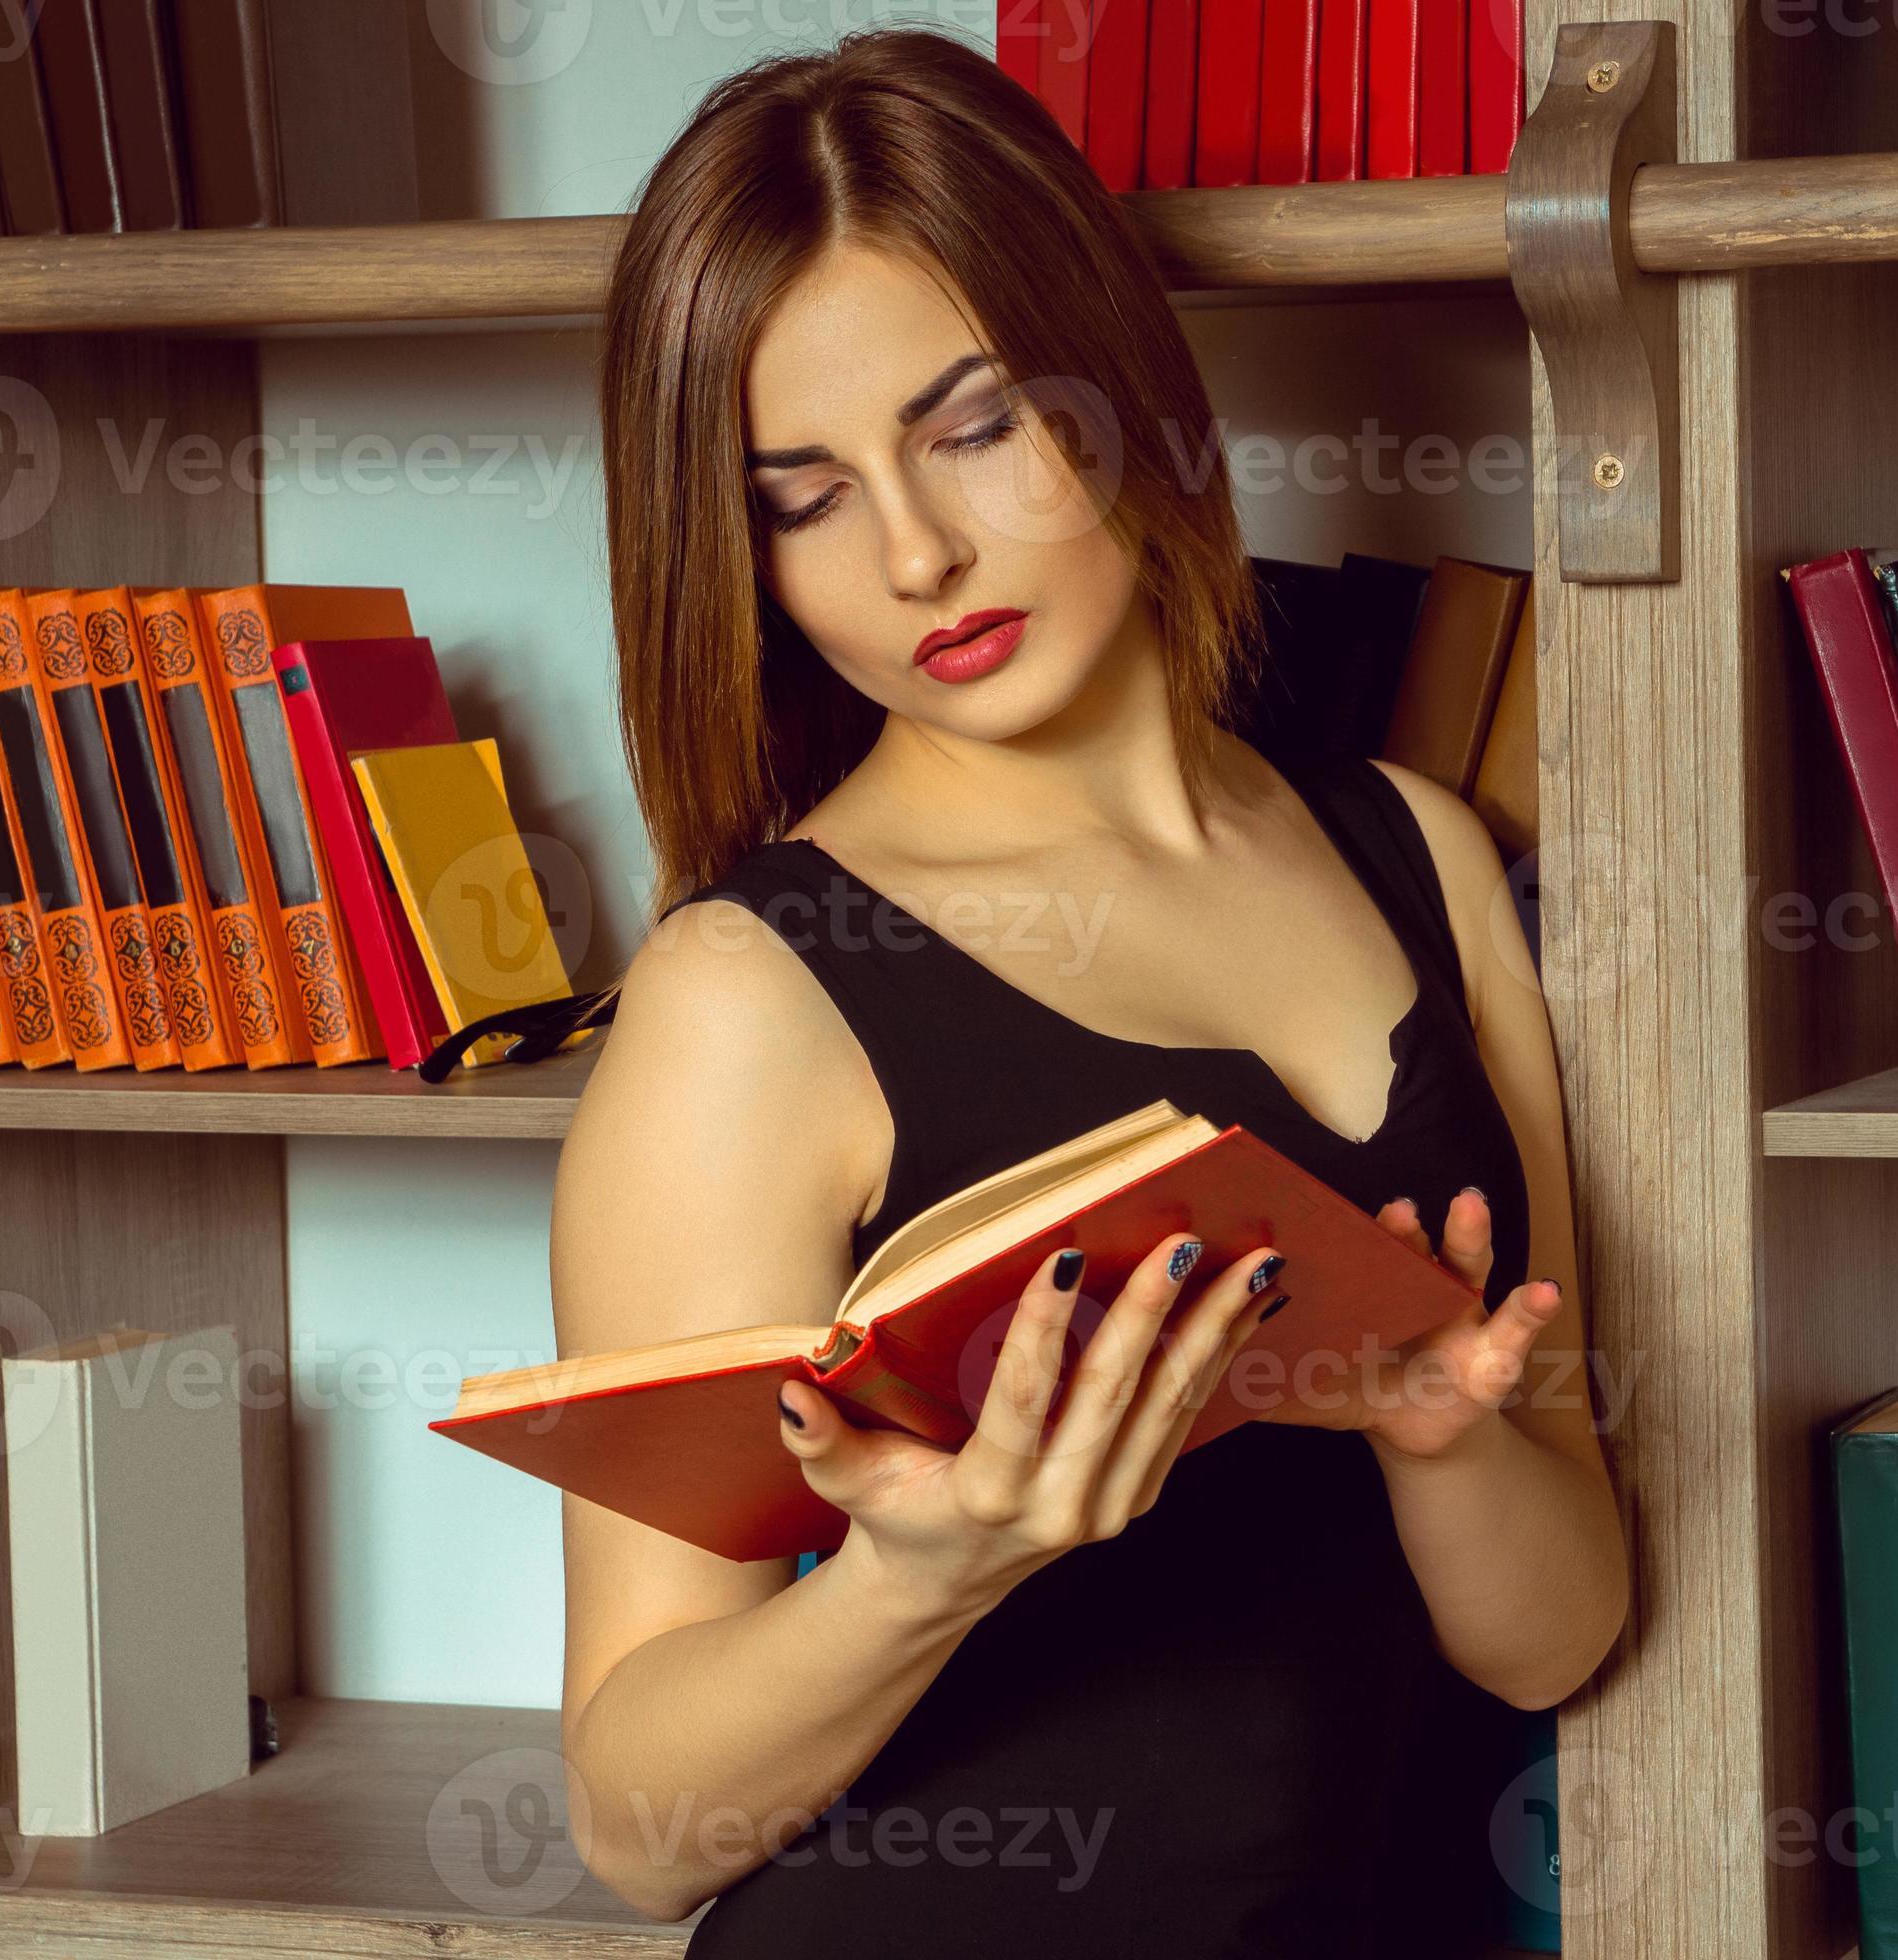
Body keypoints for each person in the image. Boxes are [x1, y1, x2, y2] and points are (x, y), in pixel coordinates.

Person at [547, 26, 1629, 1956]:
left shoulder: (1422, 856)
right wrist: (924, 1574)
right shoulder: (747, 995)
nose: (916, 551)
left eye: (973, 426)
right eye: (802, 495)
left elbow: (1557, 1639)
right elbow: (640, 1826)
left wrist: (1438, 1430)